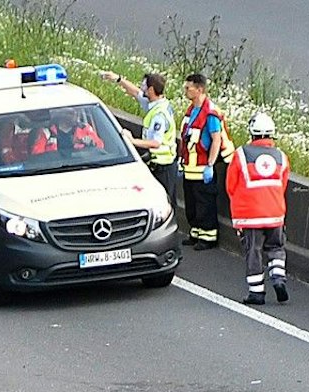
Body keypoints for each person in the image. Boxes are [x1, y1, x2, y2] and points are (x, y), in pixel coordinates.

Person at [226, 111, 291, 305]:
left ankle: (257, 292)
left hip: (250, 214)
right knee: (276, 247)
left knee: (253, 251)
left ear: (252, 133)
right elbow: (283, 184)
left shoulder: (241, 154)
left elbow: (230, 185)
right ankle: (278, 277)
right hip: (275, 213)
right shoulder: (281, 157)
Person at [106, 70, 179, 219]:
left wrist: (132, 141)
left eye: (144, 86)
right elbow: (135, 93)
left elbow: (156, 142)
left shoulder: (159, 115)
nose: (141, 88)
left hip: (163, 166)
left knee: (165, 204)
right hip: (156, 164)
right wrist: (118, 79)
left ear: (151, 90)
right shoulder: (156, 104)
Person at [178, 73, 227, 249]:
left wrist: (210, 165)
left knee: (205, 205)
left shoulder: (210, 113)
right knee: (192, 204)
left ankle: (208, 238)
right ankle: (195, 233)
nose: (185, 91)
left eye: (188, 88)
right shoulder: (191, 110)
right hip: (190, 168)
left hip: (202, 169)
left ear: (199, 89)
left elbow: (216, 139)